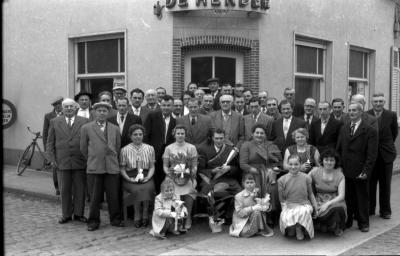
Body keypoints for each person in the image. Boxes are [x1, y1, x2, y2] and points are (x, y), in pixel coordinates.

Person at [80, 102, 124, 231]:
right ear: (94, 112)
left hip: (111, 166)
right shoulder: (86, 128)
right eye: (99, 110)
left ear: (108, 113)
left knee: (113, 196)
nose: (102, 113)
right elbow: (83, 148)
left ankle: (115, 219)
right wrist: (94, 158)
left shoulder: (115, 128)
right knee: (94, 197)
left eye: (104, 111)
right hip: (94, 167)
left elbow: (117, 146)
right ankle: (93, 221)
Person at [336, 102, 378, 232]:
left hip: (360, 170)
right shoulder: (344, 128)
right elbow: (339, 148)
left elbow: (372, 154)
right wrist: (339, 166)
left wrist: (366, 171)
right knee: (348, 197)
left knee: (362, 197)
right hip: (346, 169)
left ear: (361, 112)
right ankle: (348, 221)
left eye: (354, 110)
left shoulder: (370, 130)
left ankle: (363, 223)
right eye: (350, 110)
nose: (351, 112)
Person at [47, 98, 89, 224]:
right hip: (62, 161)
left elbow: (88, 141)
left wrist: (87, 158)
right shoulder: (54, 122)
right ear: (62, 108)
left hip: (80, 161)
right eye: (66, 107)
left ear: (76, 108)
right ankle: (66, 214)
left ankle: (78, 214)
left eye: (71, 106)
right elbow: (50, 142)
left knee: (80, 189)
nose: (69, 109)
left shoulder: (84, 121)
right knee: (64, 189)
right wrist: (52, 159)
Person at [240, 124, 283, 226]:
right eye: (257, 133)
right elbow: (243, 164)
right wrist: (256, 171)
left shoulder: (271, 145)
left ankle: (270, 214)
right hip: (252, 173)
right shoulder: (246, 145)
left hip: (269, 172)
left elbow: (279, 162)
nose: (259, 135)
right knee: (256, 188)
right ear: (253, 134)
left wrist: (275, 169)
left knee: (272, 188)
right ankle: (256, 215)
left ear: (265, 135)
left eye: (262, 133)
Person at [197, 129, 242, 222]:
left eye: (221, 138)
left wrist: (229, 168)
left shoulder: (231, 150)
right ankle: (212, 217)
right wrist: (212, 171)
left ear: (224, 138)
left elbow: (238, 168)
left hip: (227, 178)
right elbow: (200, 169)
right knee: (205, 195)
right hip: (211, 179)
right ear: (212, 138)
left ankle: (232, 216)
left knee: (241, 194)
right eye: (216, 138)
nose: (219, 141)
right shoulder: (203, 149)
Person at [367, 93, 398, 219]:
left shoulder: (391, 115)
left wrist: (387, 146)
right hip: (371, 155)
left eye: (380, 101)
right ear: (371, 102)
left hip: (386, 155)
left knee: (385, 184)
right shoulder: (366, 114)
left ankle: (385, 211)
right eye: (375, 101)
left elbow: (394, 133)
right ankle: (370, 209)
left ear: (384, 102)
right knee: (370, 184)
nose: (378, 103)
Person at [119, 124, 156, 228]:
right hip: (130, 176)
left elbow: (152, 167)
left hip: (146, 175)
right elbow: (122, 169)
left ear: (143, 135)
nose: (138, 136)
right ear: (130, 136)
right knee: (137, 190)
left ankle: (145, 213)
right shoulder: (124, 150)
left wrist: (148, 177)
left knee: (148, 188)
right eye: (135, 134)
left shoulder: (150, 148)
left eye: (140, 134)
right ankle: (137, 214)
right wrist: (129, 178)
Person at [162, 125, 198, 230]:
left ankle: (188, 217)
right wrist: (171, 174)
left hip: (187, 176)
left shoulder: (191, 147)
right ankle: (176, 218)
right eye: (178, 133)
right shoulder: (169, 148)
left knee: (191, 188)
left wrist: (190, 174)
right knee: (170, 187)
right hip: (172, 177)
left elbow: (194, 165)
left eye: (182, 133)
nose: (180, 135)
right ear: (174, 134)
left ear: (185, 134)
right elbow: (165, 166)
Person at [278, 154, 317, 240]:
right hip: (289, 205)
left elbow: (310, 194)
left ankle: (298, 228)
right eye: (290, 164)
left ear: (300, 164)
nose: (293, 167)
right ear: (287, 164)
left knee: (302, 211)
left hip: (304, 204)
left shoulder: (306, 177)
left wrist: (315, 206)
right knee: (288, 217)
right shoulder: (281, 180)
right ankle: (292, 226)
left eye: (296, 164)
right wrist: (284, 209)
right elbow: (281, 199)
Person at [309, 149, 346, 236]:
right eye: (326, 160)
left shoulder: (340, 175)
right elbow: (304, 180)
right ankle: (325, 224)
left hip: (335, 200)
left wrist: (327, 204)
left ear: (335, 162)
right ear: (322, 161)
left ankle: (336, 226)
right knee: (313, 209)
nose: (329, 162)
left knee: (337, 209)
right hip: (319, 200)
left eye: (332, 160)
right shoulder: (315, 171)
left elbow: (341, 196)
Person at [144, 95, 176, 192]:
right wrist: (148, 151)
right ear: (160, 106)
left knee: (165, 177)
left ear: (172, 106)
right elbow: (146, 134)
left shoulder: (175, 121)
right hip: (153, 152)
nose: (166, 107)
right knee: (154, 178)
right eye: (164, 105)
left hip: (167, 155)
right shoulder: (152, 116)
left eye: (168, 105)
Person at [229, 173, 274, 238]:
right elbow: (239, 213)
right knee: (244, 232)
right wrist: (252, 208)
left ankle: (259, 228)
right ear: (243, 183)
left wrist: (266, 206)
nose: (249, 184)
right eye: (247, 183)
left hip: (257, 217)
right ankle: (252, 230)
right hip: (243, 220)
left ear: (255, 183)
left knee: (257, 212)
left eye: (251, 182)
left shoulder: (259, 192)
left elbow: (268, 206)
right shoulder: (238, 196)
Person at [43, 96, 63, 195]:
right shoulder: (48, 116)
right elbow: (45, 133)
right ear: (54, 106)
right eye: (56, 105)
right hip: (54, 146)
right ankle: (57, 187)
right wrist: (47, 151)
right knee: (55, 167)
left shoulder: (68, 113)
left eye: (59, 104)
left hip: (64, 145)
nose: (58, 106)